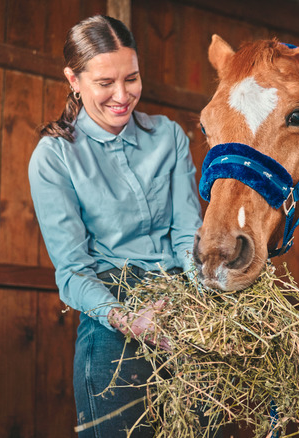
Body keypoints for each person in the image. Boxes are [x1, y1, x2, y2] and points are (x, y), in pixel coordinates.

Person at [28, 15, 203, 437]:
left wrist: (204, 298)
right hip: (115, 312)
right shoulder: (54, 158)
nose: (122, 96)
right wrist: (128, 320)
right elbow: (72, 272)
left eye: (133, 78)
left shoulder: (170, 137)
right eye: (105, 83)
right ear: (74, 79)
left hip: (183, 308)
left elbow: (186, 233)